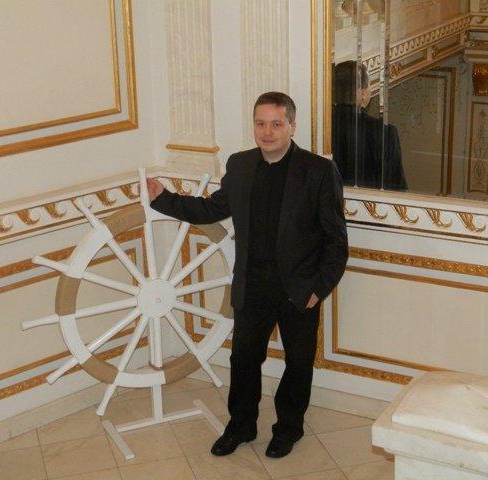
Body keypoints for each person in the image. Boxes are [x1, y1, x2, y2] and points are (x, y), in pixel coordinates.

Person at [147, 92, 348, 459]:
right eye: (260, 124)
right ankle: (240, 426)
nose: (267, 132)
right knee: (242, 362)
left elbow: (336, 242)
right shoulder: (240, 165)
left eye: (276, 124)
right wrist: (162, 198)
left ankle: (288, 429)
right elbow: (211, 209)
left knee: (298, 364)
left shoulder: (319, 171)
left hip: (299, 289)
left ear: (291, 126)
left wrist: (318, 288)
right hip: (252, 286)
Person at [332, 60, 407, 190]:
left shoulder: (321, 128)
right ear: (362, 94)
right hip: (369, 203)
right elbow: (396, 188)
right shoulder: (384, 132)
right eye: (369, 86)